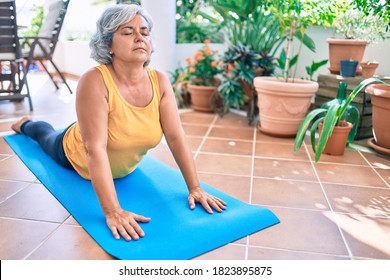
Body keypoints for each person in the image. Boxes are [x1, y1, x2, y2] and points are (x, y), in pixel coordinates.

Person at [11, 4, 226, 241]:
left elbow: (176, 137)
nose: (139, 38)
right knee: (45, 135)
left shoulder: (160, 81)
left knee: (91, 128)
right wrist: (113, 211)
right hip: (75, 154)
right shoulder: (94, 80)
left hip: (118, 160)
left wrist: (195, 188)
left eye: (144, 32)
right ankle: (26, 125)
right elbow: (94, 149)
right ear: (108, 44)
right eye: (127, 32)